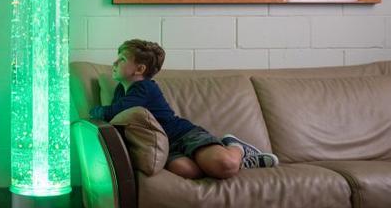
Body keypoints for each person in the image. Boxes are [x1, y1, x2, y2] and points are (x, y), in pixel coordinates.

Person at [89, 39, 279, 179]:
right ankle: (238, 162)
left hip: (184, 134)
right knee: (185, 170)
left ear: (139, 69)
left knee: (224, 166)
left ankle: (236, 147)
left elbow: (114, 112)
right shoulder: (121, 90)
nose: (114, 63)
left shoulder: (144, 87)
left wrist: (94, 111)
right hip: (167, 145)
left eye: (121, 59)